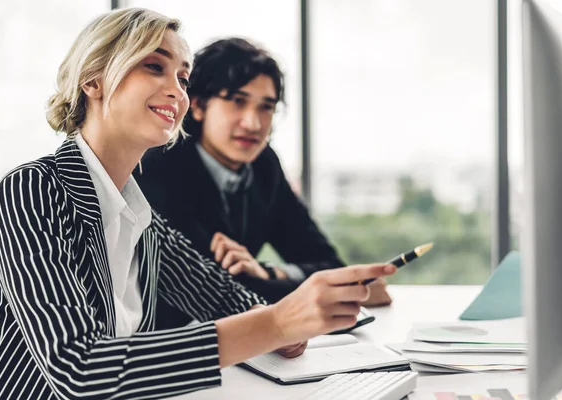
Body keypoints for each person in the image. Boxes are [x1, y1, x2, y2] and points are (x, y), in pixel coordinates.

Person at [0, 8, 397, 399]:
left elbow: (219, 295)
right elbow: (78, 368)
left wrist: (282, 323)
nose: (176, 91)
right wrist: (276, 323)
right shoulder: (32, 190)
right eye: (154, 67)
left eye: (182, 77)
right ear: (94, 80)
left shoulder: (138, 216)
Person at [134, 38, 393, 309]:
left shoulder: (263, 165)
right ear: (198, 105)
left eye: (266, 107)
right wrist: (336, 290)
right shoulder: (160, 165)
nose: (253, 123)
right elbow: (217, 290)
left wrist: (269, 273)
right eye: (237, 101)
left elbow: (327, 263)